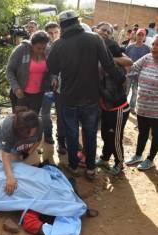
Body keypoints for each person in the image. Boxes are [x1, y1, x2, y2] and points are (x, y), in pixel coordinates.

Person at [47, 10, 126, 180]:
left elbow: (52, 68)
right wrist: (120, 78)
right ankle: (91, 169)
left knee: (72, 134)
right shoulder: (95, 39)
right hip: (91, 99)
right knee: (90, 134)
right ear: (77, 21)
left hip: (69, 99)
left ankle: (74, 166)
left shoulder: (59, 44)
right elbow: (108, 64)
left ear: (62, 26)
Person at [94, 22, 133, 175]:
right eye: (102, 29)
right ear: (96, 30)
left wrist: (110, 60)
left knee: (115, 137)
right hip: (105, 106)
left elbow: (128, 62)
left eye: (107, 31)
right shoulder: (93, 48)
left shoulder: (112, 48)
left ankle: (119, 162)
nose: (104, 33)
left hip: (118, 107)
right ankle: (104, 158)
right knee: (105, 134)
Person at [0, 108, 42, 195]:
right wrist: (10, 177)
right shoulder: (8, 127)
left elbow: (38, 141)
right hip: (4, 148)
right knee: (14, 171)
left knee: (34, 165)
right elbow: (5, 155)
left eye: (33, 133)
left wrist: (27, 154)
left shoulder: (39, 123)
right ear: (19, 130)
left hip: (23, 147)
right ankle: (0, 159)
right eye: (27, 133)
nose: (31, 136)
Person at [125, 35, 158, 170]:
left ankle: (150, 159)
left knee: (156, 135)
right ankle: (138, 155)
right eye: (154, 44)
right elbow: (132, 68)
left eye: (157, 46)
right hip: (142, 106)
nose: (154, 48)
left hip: (156, 111)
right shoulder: (147, 58)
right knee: (143, 132)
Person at [7, 31, 50, 114]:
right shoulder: (21, 49)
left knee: (32, 122)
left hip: (38, 95)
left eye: (43, 48)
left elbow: (51, 69)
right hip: (20, 94)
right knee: (20, 122)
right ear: (32, 44)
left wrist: (53, 78)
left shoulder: (48, 50)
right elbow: (10, 70)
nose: (41, 51)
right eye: (38, 48)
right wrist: (16, 88)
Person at [41, 21, 60, 145]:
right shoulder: (42, 48)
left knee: (61, 113)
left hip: (62, 87)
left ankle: (61, 136)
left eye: (56, 32)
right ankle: (48, 135)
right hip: (46, 86)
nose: (53, 35)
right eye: (50, 33)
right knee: (45, 113)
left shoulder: (64, 45)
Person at [125, 28, 150, 114]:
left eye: (142, 35)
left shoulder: (147, 49)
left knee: (135, 92)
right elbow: (124, 57)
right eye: (139, 34)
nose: (140, 37)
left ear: (144, 37)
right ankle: (124, 105)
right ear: (136, 35)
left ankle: (132, 107)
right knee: (126, 90)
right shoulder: (130, 47)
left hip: (140, 75)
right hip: (128, 74)